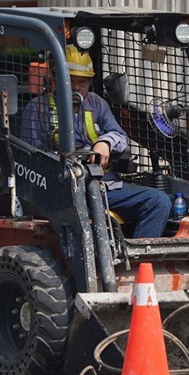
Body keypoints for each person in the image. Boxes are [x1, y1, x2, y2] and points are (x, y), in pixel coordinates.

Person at [22, 45, 172, 238]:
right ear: (54, 79)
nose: (76, 87)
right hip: (62, 192)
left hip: (105, 187)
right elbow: (31, 157)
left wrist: (106, 143)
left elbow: (121, 137)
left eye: (82, 82)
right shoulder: (36, 109)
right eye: (71, 80)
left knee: (159, 201)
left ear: (90, 82)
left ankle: (139, 262)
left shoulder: (97, 103)